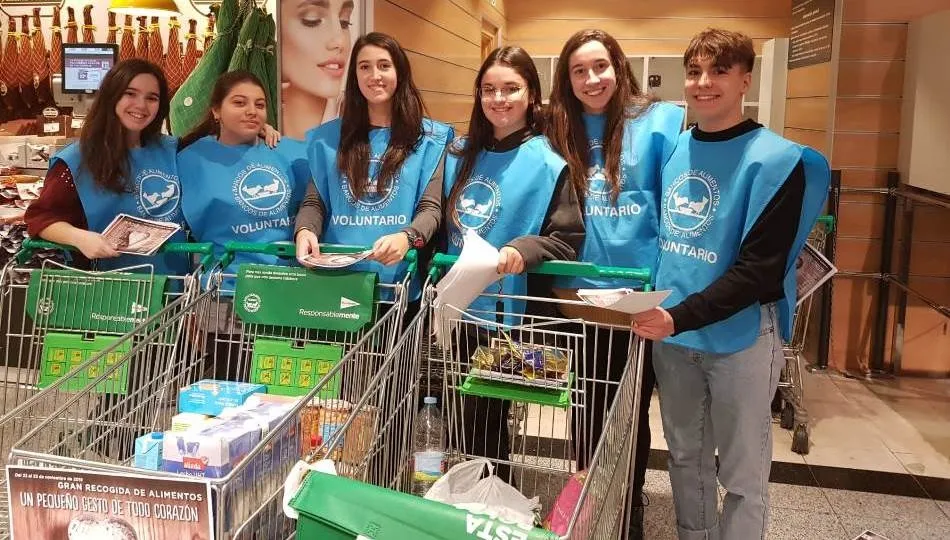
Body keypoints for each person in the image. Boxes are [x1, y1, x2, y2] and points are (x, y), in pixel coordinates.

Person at [631, 29, 830, 540]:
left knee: (742, 474)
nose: (703, 82)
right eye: (694, 72)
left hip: (741, 338)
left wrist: (676, 316)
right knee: (685, 458)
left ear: (745, 80)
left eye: (719, 71)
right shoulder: (675, 150)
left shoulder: (779, 161)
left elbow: (759, 272)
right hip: (674, 339)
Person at [544, 28, 684, 539]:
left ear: (618, 67)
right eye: (579, 70)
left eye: (600, 66)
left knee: (631, 410)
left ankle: (627, 504)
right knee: (585, 406)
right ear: (567, 79)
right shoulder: (556, 127)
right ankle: (589, 503)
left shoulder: (658, 123)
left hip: (637, 298)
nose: (591, 79)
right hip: (576, 296)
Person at [442, 45, 585, 480]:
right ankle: (468, 493)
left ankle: (491, 497)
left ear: (531, 95)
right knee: (456, 418)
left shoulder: (548, 162)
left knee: (485, 421)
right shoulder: (459, 154)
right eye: (489, 89)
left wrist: (523, 249)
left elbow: (567, 240)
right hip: (454, 306)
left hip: (505, 316)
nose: (498, 99)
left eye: (510, 89)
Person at [295, 32, 452, 310]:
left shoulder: (430, 139)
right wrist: (305, 230)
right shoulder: (328, 139)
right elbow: (314, 201)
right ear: (354, 75)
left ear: (400, 72)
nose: (374, 75)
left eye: (384, 65)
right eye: (364, 66)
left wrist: (407, 237)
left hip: (398, 284)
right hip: (337, 276)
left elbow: (431, 209)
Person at [25, 59, 188, 275]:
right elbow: (41, 218)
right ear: (112, 96)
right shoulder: (77, 160)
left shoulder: (173, 150)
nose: (141, 105)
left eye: (152, 98)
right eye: (130, 94)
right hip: (104, 286)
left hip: (172, 284)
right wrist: (79, 238)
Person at [178, 70, 309, 289]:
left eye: (260, 105)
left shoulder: (289, 152)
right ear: (216, 110)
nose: (251, 111)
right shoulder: (189, 159)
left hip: (289, 284)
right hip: (225, 288)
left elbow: (316, 207)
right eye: (239, 103)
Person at [280, 0, 355, 139]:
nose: (340, 42)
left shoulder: (354, 116)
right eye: (312, 20)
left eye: (344, 22)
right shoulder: (256, 119)